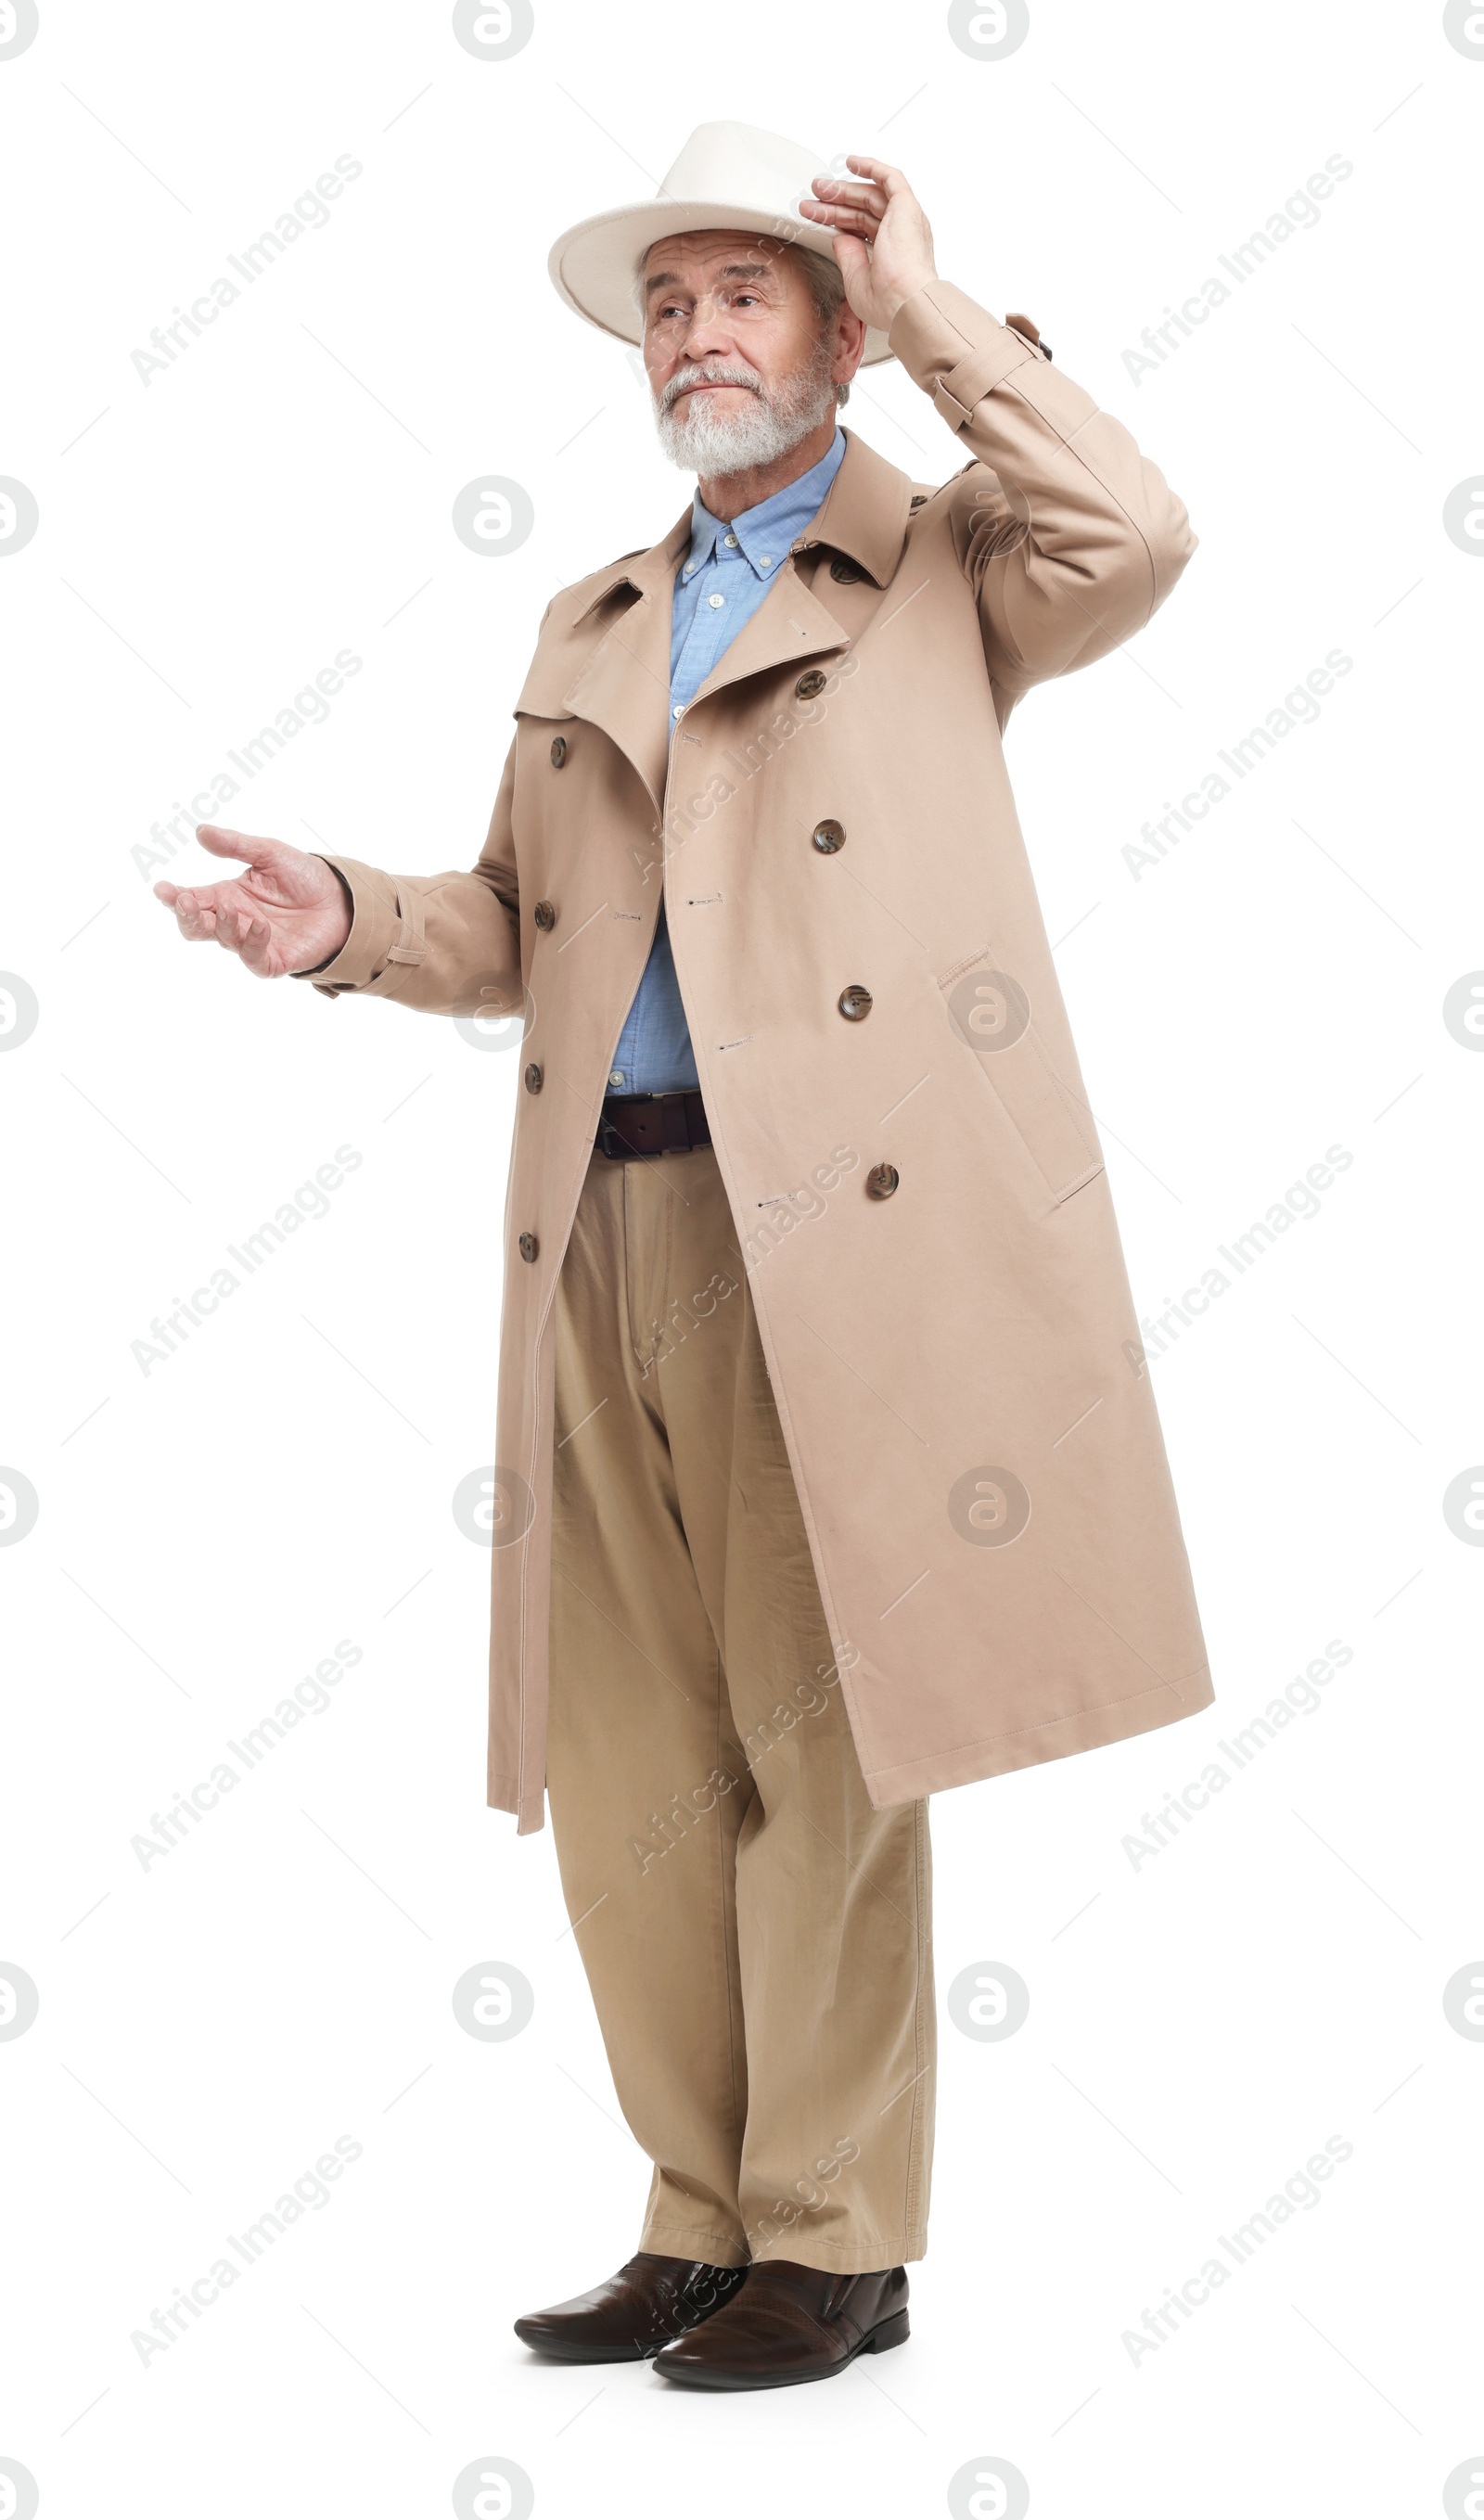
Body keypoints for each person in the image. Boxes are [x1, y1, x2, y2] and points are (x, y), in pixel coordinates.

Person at [156, 122, 1213, 2392]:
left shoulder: (943, 559)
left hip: (820, 1242)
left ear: (835, 342)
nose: (690, 331)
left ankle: (834, 2235)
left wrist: (934, 300)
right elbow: (519, 929)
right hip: (595, 1230)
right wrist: (343, 923)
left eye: (740, 292)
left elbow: (1138, 531)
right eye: (663, 303)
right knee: (632, 1756)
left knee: (823, 1738)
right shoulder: (590, 617)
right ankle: (695, 2213)